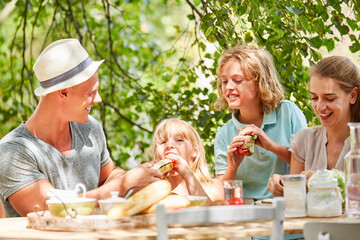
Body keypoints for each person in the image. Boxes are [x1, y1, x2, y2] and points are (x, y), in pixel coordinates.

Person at [0, 39, 162, 217]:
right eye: (90, 93)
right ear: (63, 93)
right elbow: (52, 211)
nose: (98, 99)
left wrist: (137, 178)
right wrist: (124, 185)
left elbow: (108, 177)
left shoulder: (90, 128)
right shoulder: (12, 152)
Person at [214, 44, 307, 200]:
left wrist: (271, 146)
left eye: (237, 80)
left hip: (287, 203)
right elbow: (221, 194)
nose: (229, 87)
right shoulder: (224, 134)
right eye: (224, 81)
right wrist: (233, 167)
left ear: (260, 83)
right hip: (246, 210)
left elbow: (309, 163)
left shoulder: (288, 113)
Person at [268, 55, 360, 197]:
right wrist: (282, 186)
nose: (319, 107)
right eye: (314, 98)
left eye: (330, 98)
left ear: (353, 95)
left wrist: (321, 179)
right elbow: (295, 199)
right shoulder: (304, 141)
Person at [152, 118, 224, 201]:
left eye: (179, 140)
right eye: (163, 142)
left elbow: (209, 212)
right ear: (157, 153)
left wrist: (187, 174)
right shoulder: (152, 192)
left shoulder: (213, 187)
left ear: (194, 151)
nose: (169, 145)